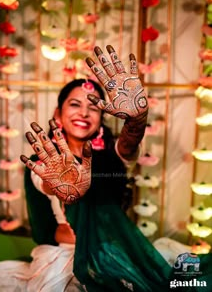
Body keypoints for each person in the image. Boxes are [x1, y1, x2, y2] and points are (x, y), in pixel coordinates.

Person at [19, 45, 180, 292]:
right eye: (74, 104)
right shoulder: (43, 161)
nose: (84, 112)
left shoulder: (112, 155)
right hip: (63, 256)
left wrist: (136, 120)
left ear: (101, 119)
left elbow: (128, 144)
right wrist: (67, 186)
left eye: (93, 106)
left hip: (113, 249)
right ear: (58, 115)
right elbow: (48, 184)